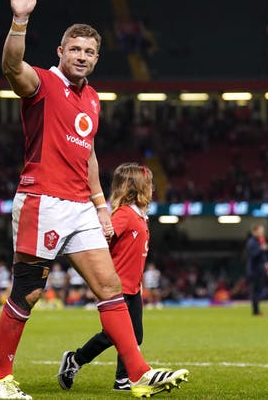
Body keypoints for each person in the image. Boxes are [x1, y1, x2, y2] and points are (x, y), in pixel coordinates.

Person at [0, 0, 188, 399]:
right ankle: (0, 379)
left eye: (90, 51)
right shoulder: (42, 83)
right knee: (30, 291)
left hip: (80, 205)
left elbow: (89, 154)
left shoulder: (93, 98)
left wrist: (99, 204)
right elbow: (10, 67)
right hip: (42, 200)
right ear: (61, 52)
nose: (82, 56)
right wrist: (19, 22)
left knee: (110, 288)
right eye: (75, 49)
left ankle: (138, 374)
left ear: (97, 59)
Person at [58, 163, 169, 392]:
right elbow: (100, 240)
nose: (152, 189)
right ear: (136, 188)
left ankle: (83, 363)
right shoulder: (125, 215)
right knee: (120, 335)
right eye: (148, 185)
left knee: (129, 335)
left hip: (132, 288)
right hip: (116, 287)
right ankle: (114, 375)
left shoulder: (139, 215)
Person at [245, 224, 268, 316]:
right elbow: (253, 256)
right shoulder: (252, 242)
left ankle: (257, 310)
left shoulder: (259, 241)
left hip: (259, 269)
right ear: (254, 231)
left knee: (258, 290)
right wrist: (261, 249)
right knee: (255, 291)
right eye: (260, 231)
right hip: (254, 270)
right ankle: (255, 311)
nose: (262, 232)